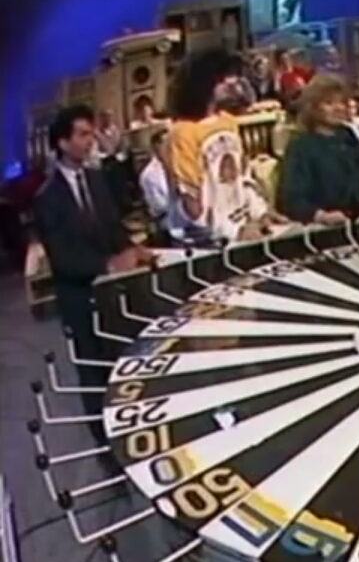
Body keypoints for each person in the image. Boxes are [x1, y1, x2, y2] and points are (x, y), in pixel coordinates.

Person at [33, 105, 153, 460]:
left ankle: (130, 436)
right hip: (79, 298)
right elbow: (63, 259)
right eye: (83, 135)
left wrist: (133, 250)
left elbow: (114, 229)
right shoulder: (47, 198)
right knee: (93, 371)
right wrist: (108, 265)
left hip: (112, 295)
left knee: (123, 362)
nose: (90, 142)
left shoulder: (97, 180)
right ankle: (106, 449)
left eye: (91, 134)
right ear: (62, 142)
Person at [277, 74, 359, 224]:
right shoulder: (301, 147)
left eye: (342, 102)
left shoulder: (347, 135)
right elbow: (291, 200)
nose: (339, 108)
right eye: (329, 103)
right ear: (313, 107)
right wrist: (321, 216)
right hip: (327, 229)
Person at [166, 46, 250, 242]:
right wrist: (233, 232)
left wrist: (261, 213)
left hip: (243, 228)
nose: (231, 82)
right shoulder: (182, 133)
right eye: (222, 78)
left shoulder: (229, 122)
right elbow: (192, 206)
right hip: (208, 242)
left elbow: (243, 178)